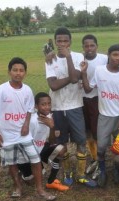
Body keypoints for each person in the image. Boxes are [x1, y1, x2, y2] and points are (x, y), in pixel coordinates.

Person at [0, 57, 56, 201]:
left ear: (25, 73)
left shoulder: (27, 90)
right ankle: (17, 187)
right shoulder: (1, 90)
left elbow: (29, 110)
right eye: (15, 70)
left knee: (35, 160)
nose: (18, 73)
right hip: (6, 135)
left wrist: (25, 125)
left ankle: (40, 190)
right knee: (12, 163)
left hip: (24, 135)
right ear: (9, 72)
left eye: (21, 70)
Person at [45, 27, 96, 187]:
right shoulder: (50, 59)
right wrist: (72, 75)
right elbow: (53, 85)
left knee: (81, 141)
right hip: (58, 107)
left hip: (75, 106)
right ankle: (67, 172)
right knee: (62, 143)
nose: (62, 44)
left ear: (70, 42)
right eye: (59, 41)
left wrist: (68, 58)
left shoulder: (78, 56)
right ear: (55, 42)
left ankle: (80, 174)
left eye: (65, 41)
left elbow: (75, 79)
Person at [80, 44, 119, 187]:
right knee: (102, 147)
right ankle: (102, 170)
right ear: (109, 55)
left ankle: (117, 170)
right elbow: (87, 88)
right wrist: (84, 73)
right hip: (104, 116)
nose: (117, 58)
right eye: (115, 55)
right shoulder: (99, 71)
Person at [17, 92, 69, 192]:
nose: (47, 107)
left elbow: (53, 141)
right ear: (36, 106)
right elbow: (24, 143)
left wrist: (52, 126)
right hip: (27, 156)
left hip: (39, 151)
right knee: (31, 182)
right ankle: (23, 171)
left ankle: (51, 181)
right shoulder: (32, 121)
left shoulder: (49, 116)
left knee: (61, 149)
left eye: (49, 104)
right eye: (43, 104)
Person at [80, 34, 108, 180]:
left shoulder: (104, 59)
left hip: (97, 100)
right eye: (86, 46)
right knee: (88, 133)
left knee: (97, 132)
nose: (89, 48)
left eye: (92, 45)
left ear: (97, 46)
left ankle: (100, 161)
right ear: (82, 47)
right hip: (81, 100)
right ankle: (94, 158)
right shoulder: (79, 59)